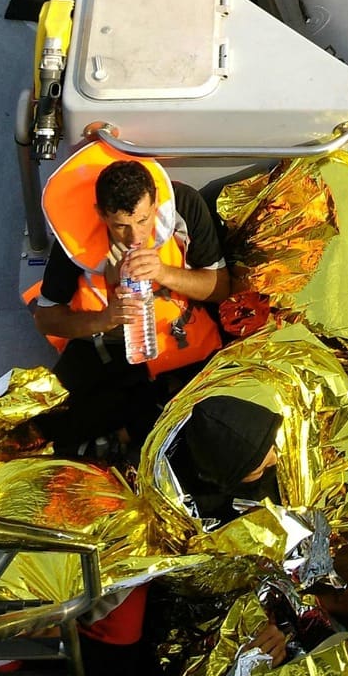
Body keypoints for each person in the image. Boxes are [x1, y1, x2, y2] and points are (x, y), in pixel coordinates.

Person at [26, 149, 229, 455]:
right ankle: (125, 428)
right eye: (121, 226)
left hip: (183, 336)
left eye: (143, 220)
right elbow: (46, 318)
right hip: (110, 345)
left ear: (155, 203)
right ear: (101, 214)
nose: (134, 236)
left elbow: (221, 288)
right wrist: (104, 319)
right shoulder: (78, 235)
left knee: (213, 424)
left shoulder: (184, 206)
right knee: (46, 430)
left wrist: (163, 272)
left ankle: (127, 429)